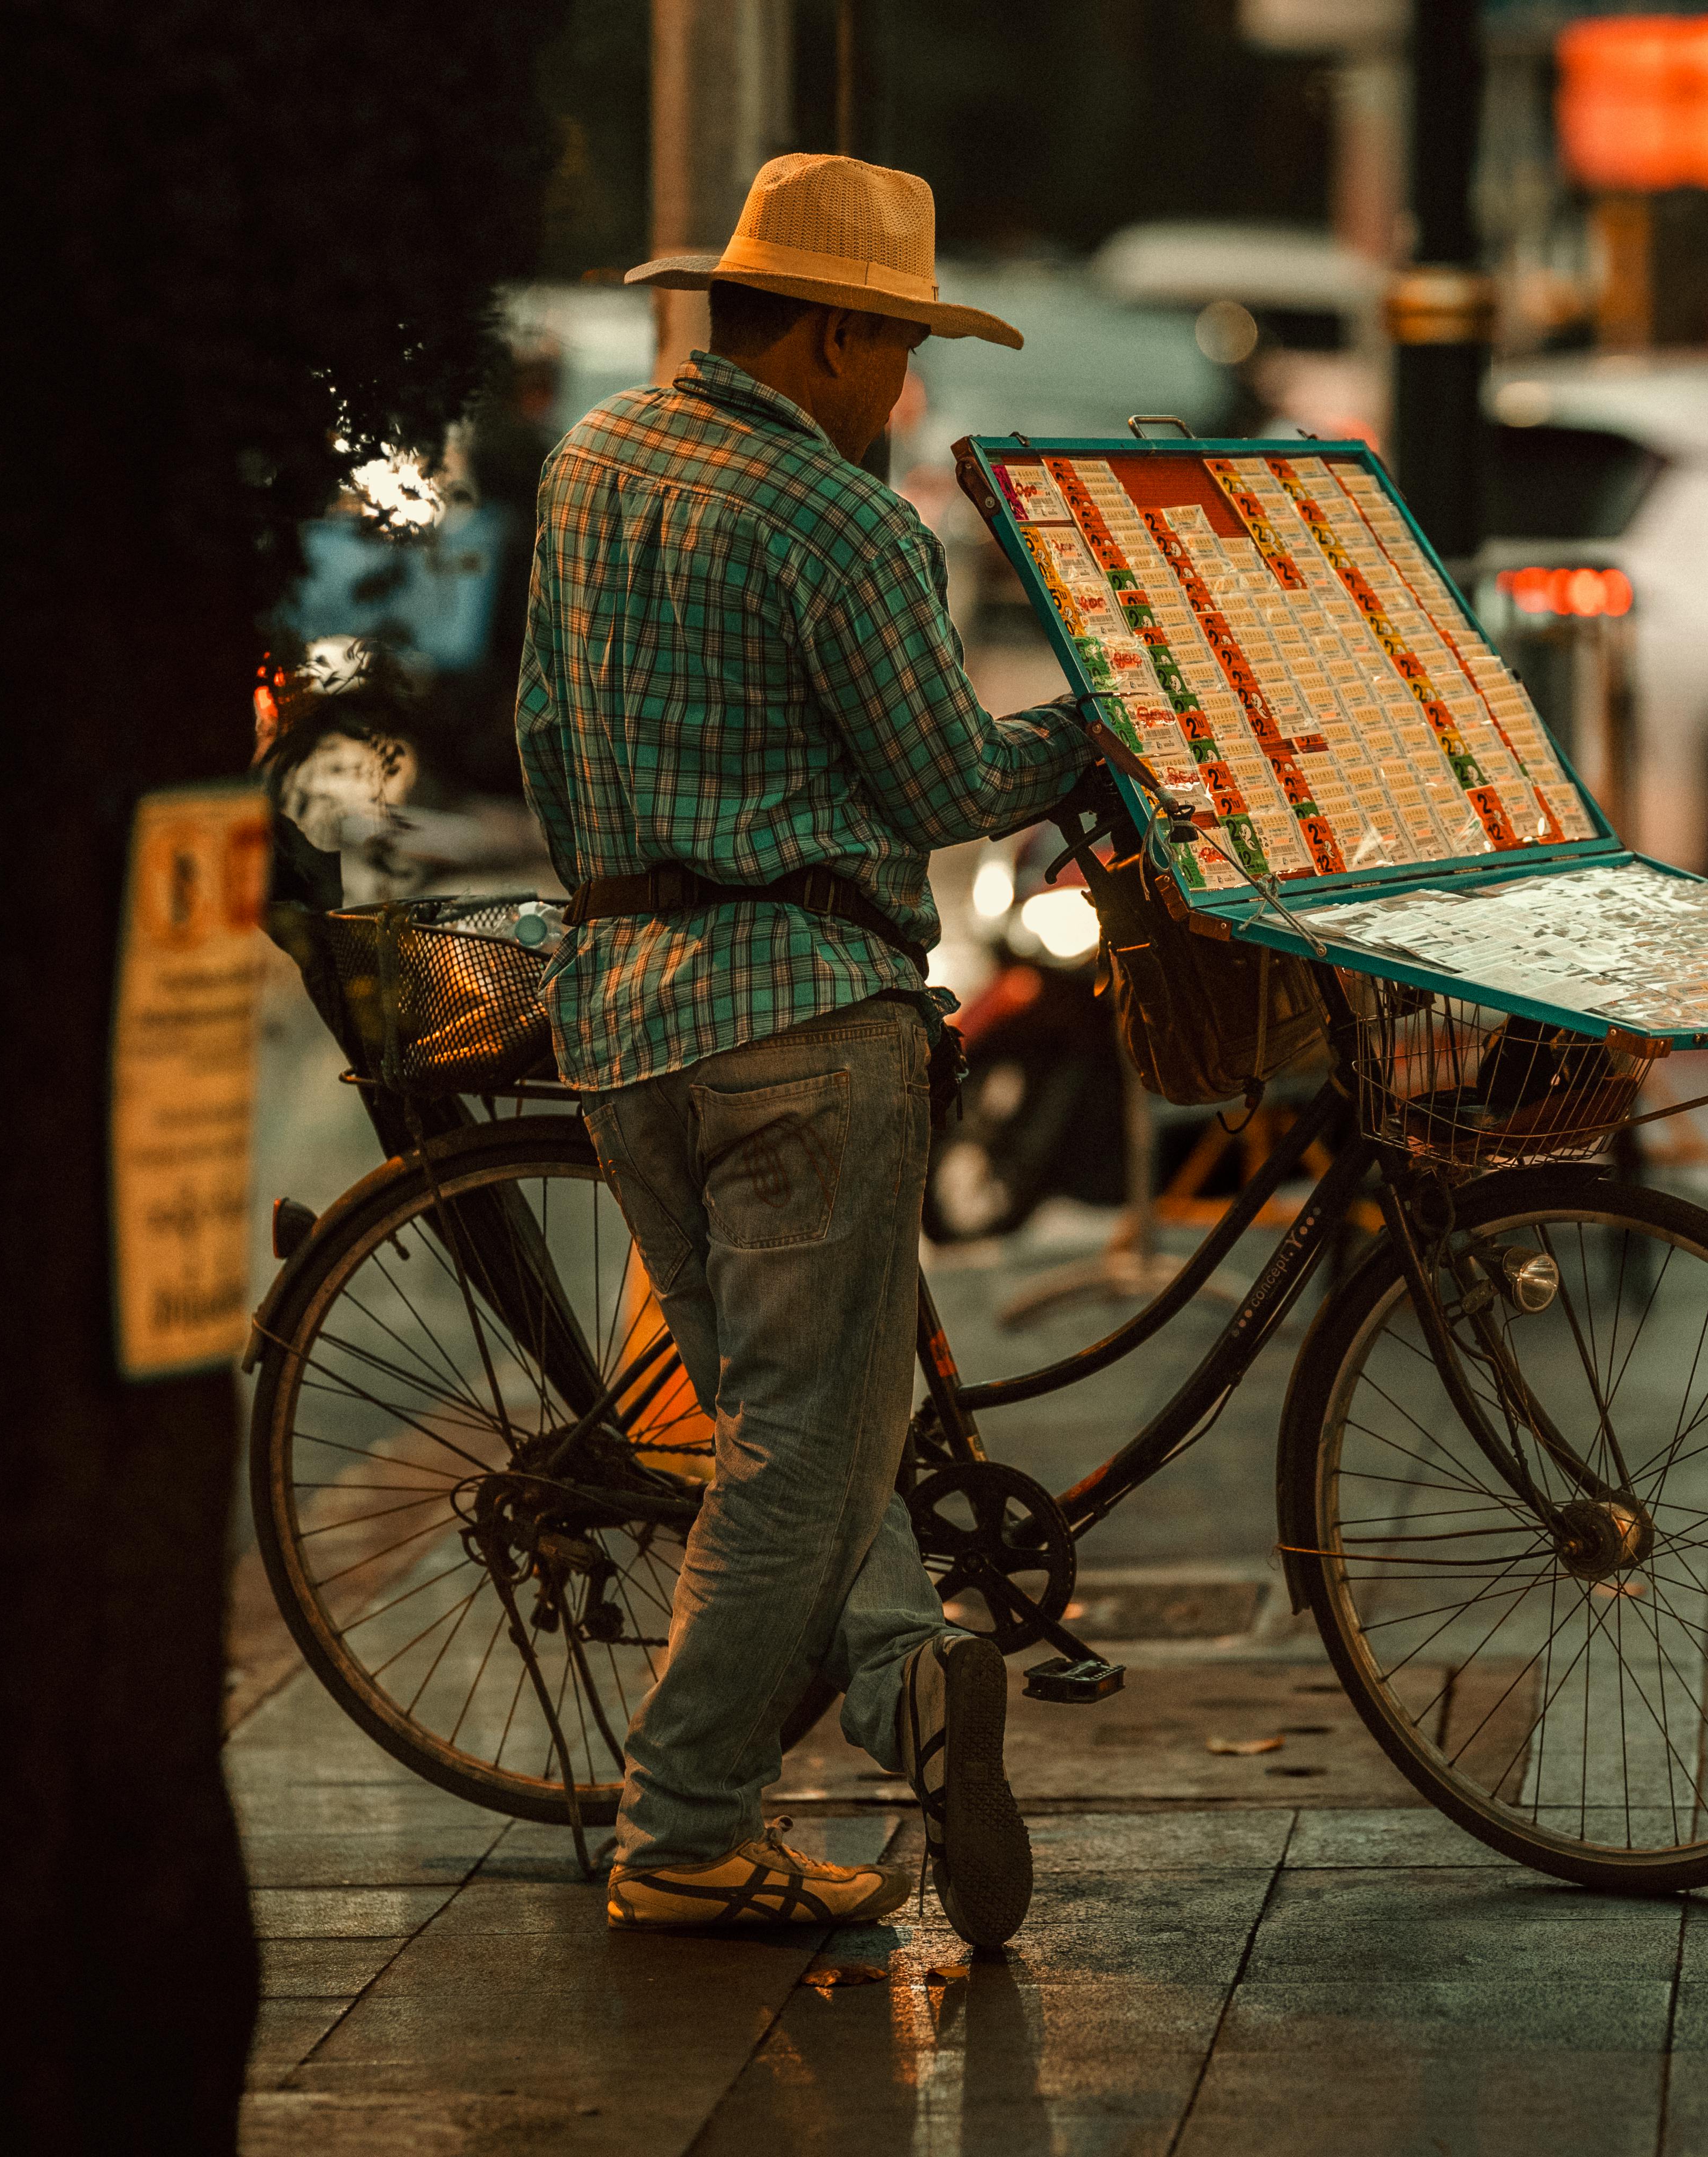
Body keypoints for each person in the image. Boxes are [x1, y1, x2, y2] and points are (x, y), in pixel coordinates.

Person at [513, 154, 1094, 1946]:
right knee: (808, 1448)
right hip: (797, 1024)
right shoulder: (838, 521)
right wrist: (1095, 730)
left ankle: (910, 1684)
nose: (904, 386)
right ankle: (681, 1822)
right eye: (898, 346)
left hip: (618, 1017)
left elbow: (538, 728)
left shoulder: (593, 462)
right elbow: (947, 786)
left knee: (798, 1424)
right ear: (832, 337)